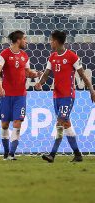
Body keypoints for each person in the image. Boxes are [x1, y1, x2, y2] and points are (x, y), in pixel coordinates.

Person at [35, 30, 95, 163]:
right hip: (56, 96)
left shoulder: (72, 57)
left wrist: (92, 90)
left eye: (51, 40)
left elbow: (83, 75)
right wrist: (40, 83)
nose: (50, 42)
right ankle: (78, 155)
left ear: (56, 41)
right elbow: (46, 74)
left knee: (60, 123)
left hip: (68, 96)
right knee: (66, 123)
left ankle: (52, 155)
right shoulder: (52, 57)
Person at [0, 30, 42, 160]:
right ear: (18, 40)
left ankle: (11, 154)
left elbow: (27, 72)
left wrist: (35, 74)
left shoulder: (25, 56)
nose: (26, 41)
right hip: (6, 95)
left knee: (17, 122)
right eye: (25, 39)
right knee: (4, 125)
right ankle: (6, 152)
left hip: (20, 95)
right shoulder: (4, 54)